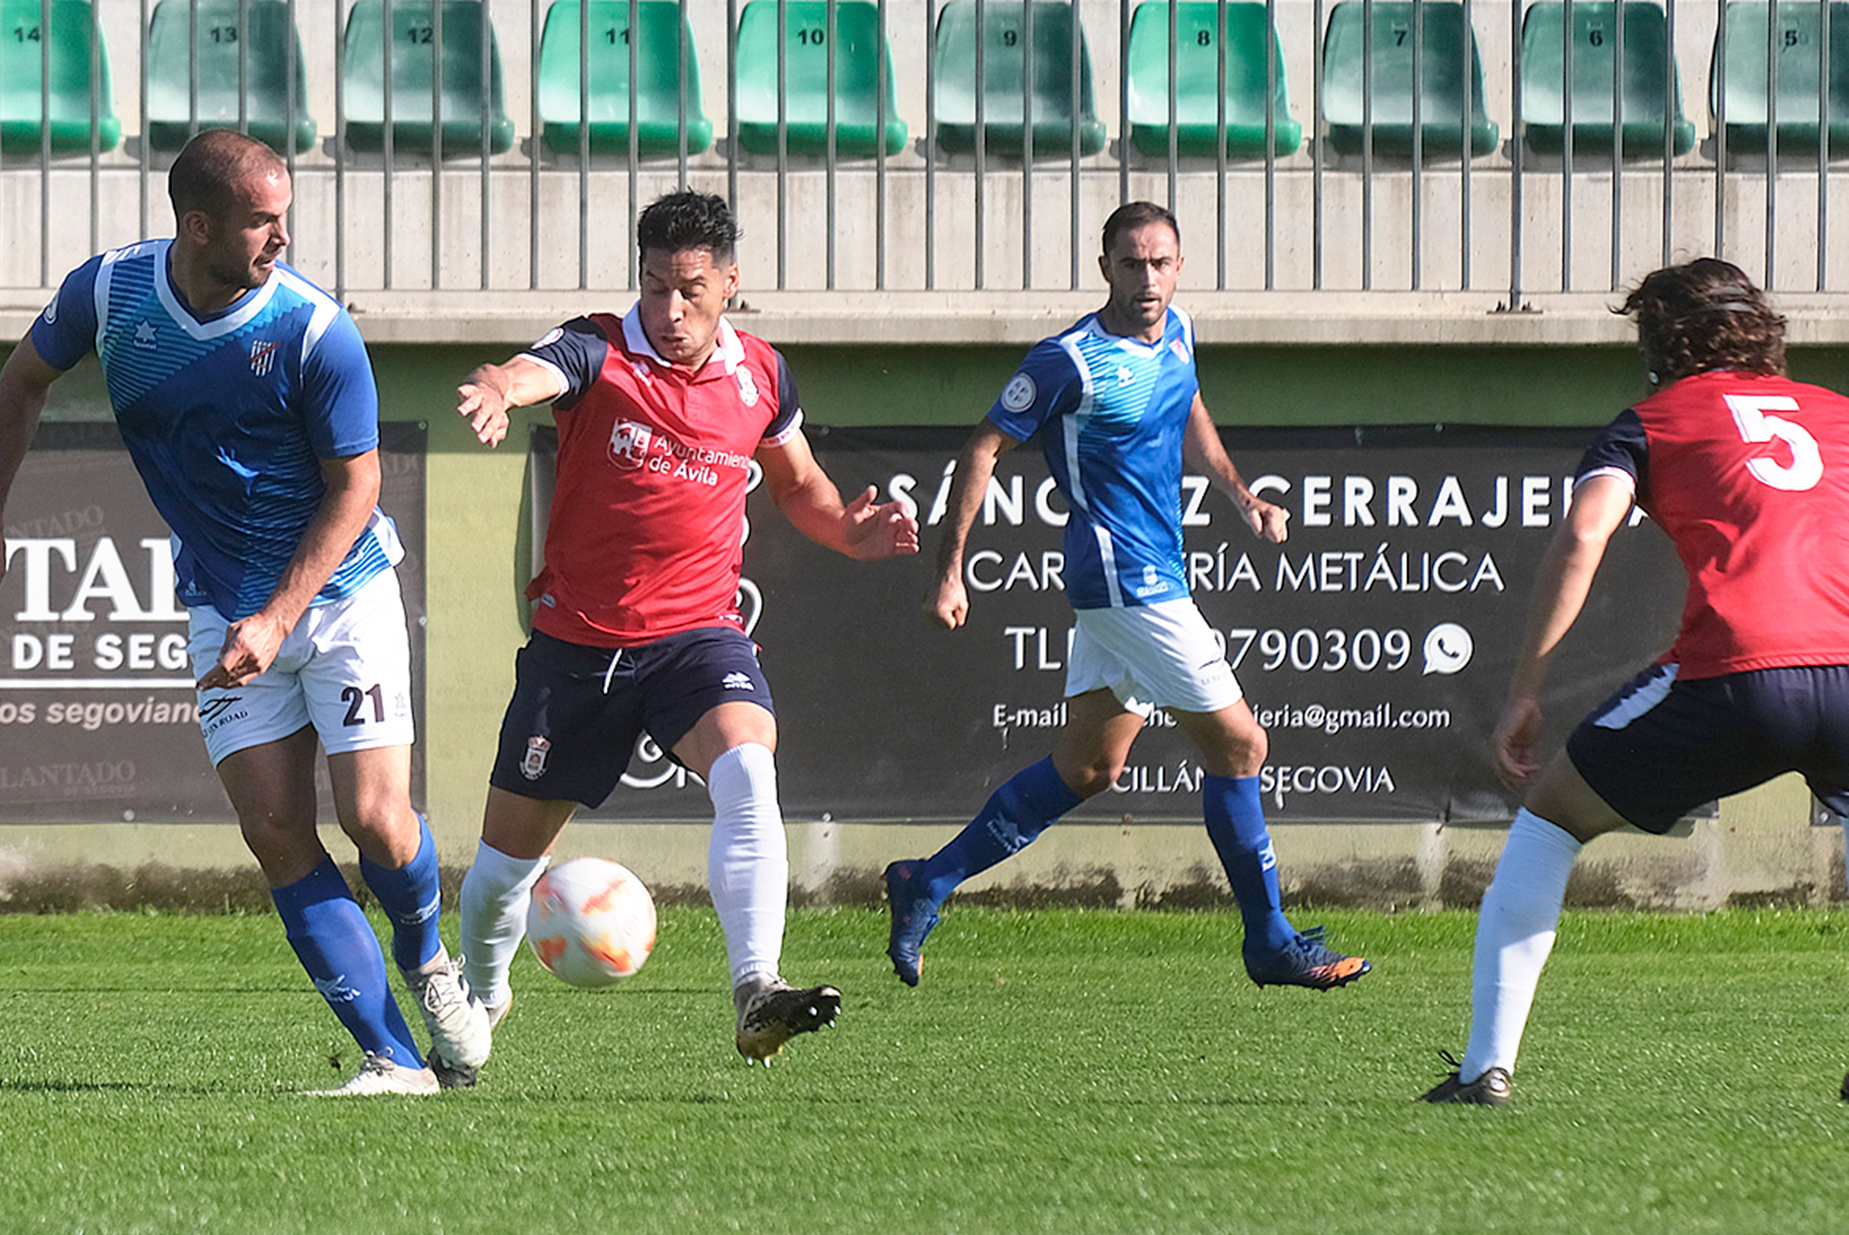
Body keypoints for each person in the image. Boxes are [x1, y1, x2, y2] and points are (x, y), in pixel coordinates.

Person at [0, 129, 486, 1097]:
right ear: (198, 225)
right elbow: (23, 380)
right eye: (263, 219)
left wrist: (281, 616)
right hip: (219, 599)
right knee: (275, 827)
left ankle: (431, 959)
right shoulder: (109, 295)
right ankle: (395, 1060)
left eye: (286, 215)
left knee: (376, 819)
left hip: (339, 595)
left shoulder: (314, 330)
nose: (284, 235)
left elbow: (357, 486)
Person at [447, 190, 920, 1080]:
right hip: (579, 645)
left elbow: (797, 483)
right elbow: (537, 370)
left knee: (748, 766)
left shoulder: (763, 377)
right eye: (655, 285)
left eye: (691, 289)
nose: (670, 310)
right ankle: (480, 995)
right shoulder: (599, 346)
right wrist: (499, 387)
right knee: (501, 875)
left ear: (730, 284)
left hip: (694, 637)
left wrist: (850, 532)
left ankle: (755, 988)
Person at [885, 201, 1372, 993]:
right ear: (1104, 266)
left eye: (1161, 263)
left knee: (1087, 766)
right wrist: (951, 568)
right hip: (1125, 580)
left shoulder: (1177, 332)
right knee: (1242, 746)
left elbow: (1189, 409)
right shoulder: (1067, 361)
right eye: (1132, 263)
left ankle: (926, 882)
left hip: (1146, 578)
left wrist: (1241, 497)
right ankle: (1271, 942)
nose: (1147, 279)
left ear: (1180, 266)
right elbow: (983, 446)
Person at [1422, 258, 1849, 1106]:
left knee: (1548, 822)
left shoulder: (1651, 420)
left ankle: (1485, 1071)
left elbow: (1585, 538)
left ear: (1662, 342)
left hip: (1742, 670)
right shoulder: (1839, 415)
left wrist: (1525, 691)